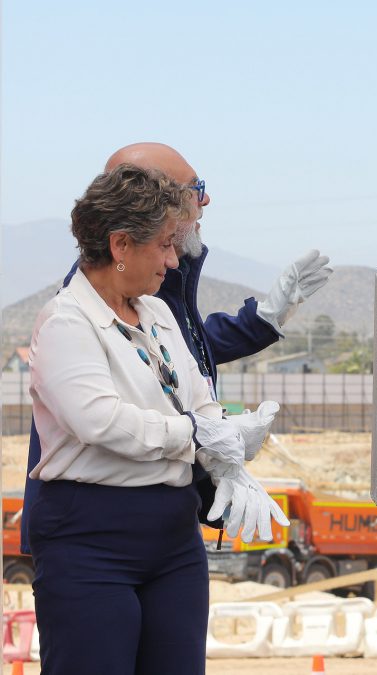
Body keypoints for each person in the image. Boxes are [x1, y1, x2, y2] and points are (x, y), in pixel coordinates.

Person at [28, 165, 288, 674]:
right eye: (166, 245)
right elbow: (102, 421)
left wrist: (227, 451)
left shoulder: (157, 314)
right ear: (121, 245)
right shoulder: (66, 322)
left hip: (173, 538)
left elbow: (198, 398)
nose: (173, 260)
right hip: (90, 537)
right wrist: (197, 434)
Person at [20, 142, 333, 552]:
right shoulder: (103, 291)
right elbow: (108, 415)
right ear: (149, 197)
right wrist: (203, 436)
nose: (205, 200)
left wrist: (263, 320)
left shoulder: (151, 275)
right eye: (194, 188)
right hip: (103, 520)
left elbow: (184, 348)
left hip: (162, 512)